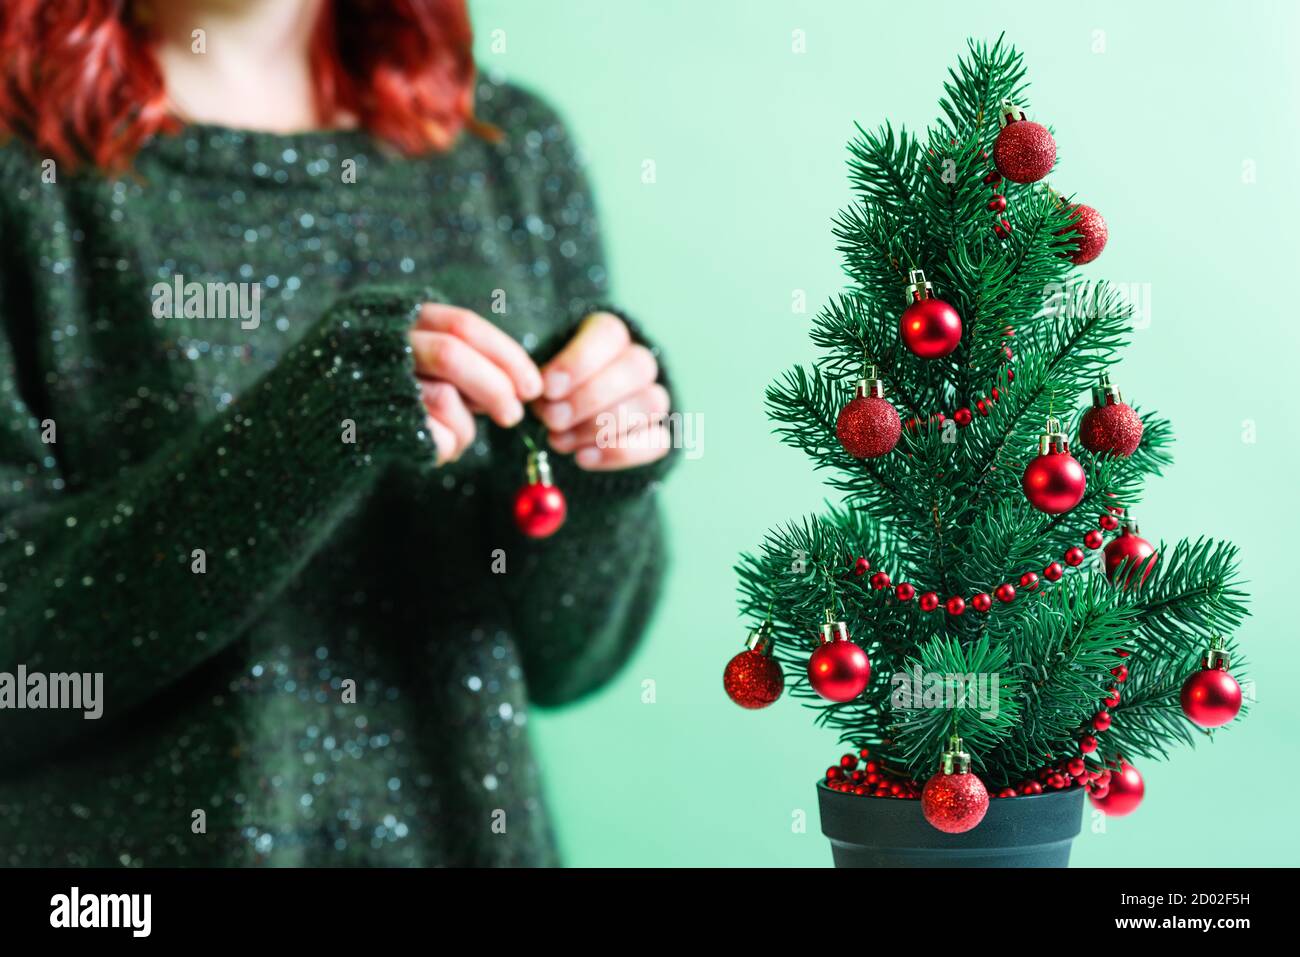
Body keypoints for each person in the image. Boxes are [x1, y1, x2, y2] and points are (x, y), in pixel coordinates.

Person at [0, 0, 675, 865]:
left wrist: (601, 471)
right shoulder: (27, 180)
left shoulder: (509, 147)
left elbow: (573, 661)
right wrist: (314, 425)